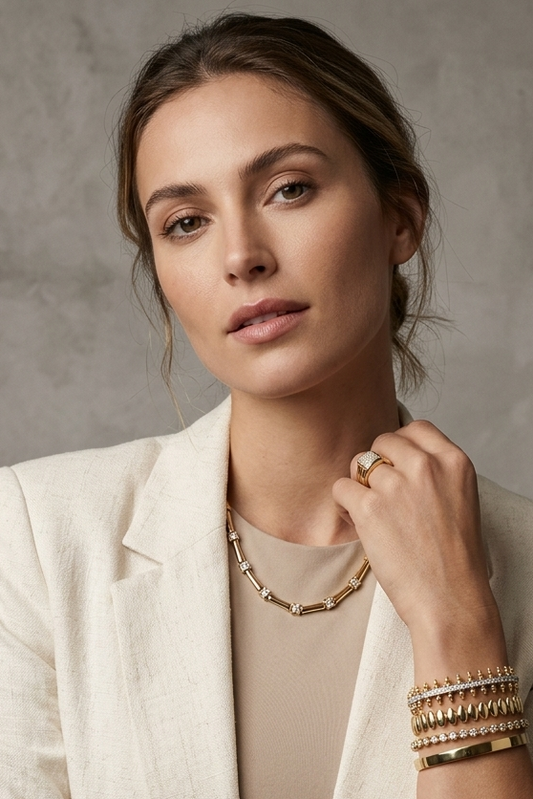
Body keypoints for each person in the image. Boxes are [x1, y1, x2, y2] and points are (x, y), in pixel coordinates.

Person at [1, 12, 532, 799]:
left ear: (400, 216)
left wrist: (457, 627)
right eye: (185, 223)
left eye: (289, 188)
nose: (241, 255)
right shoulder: (38, 536)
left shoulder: (520, 559)